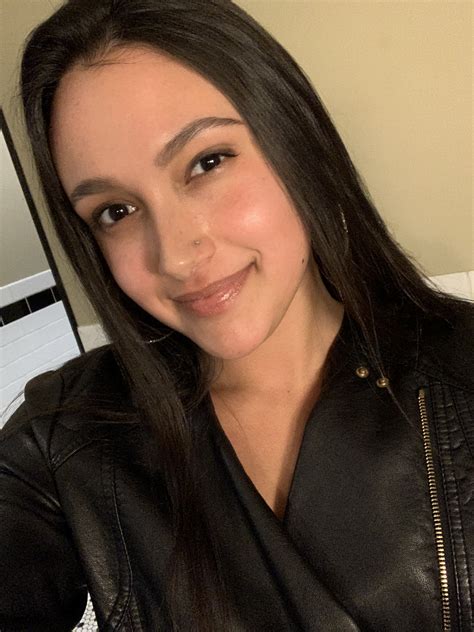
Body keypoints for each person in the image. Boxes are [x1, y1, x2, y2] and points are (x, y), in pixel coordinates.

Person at [0, 1, 472, 630]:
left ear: (297, 143)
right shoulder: (64, 437)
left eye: (207, 162)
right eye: (116, 211)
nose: (175, 255)